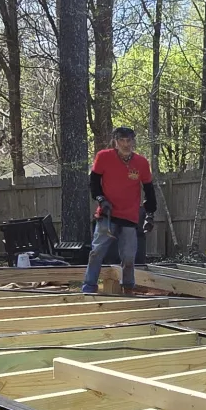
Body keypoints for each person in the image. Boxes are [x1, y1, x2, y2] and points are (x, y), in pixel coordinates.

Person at [82, 125, 157, 293]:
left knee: (129, 257)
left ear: (133, 142)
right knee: (97, 252)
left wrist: (150, 214)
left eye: (128, 140)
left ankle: (128, 288)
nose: (125, 144)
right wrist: (101, 199)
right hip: (107, 214)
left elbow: (149, 189)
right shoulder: (103, 157)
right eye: (121, 140)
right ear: (115, 142)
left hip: (129, 216)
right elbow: (94, 182)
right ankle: (89, 286)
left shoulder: (141, 163)